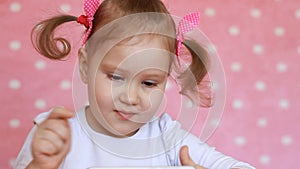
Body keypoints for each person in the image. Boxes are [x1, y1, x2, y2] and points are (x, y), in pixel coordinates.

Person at [14, 0, 256, 169]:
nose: (131, 98)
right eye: (116, 77)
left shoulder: (168, 139)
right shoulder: (56, 134)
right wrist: (41, 166)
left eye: (149, 83)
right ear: (86, 66)